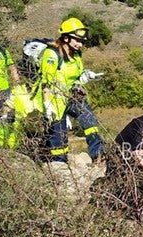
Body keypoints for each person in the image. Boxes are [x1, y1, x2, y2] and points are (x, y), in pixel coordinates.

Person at [34, 18, 104, 163]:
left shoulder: (77, 54)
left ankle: (98, 155)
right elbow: (45, 82)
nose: (80, 44)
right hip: (54, 100)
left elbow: (76, 75)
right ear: (66, 38)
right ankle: (59, 164)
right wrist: (47, 104)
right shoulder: (52, 54)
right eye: (77, 40)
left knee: (90, 122)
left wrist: (85, 76)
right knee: (58, 137)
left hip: (72, 97)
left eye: (82, 41)